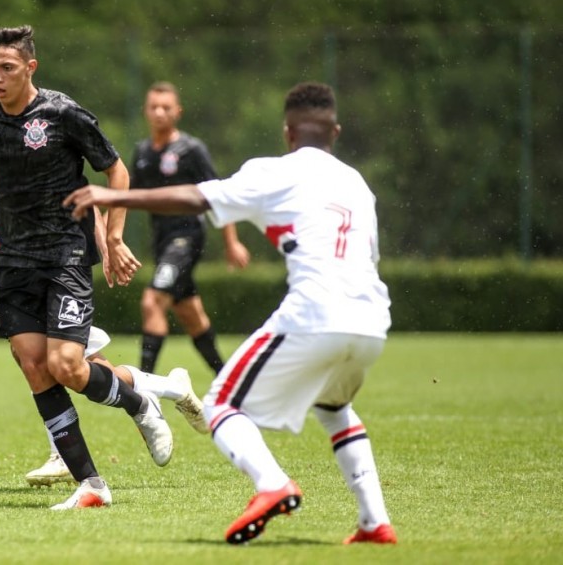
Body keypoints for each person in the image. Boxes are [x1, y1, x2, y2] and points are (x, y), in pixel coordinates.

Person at [64, 82, 397, 545]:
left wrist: (112, 198)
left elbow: (197, 199)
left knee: (221, 404)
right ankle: (374, 522)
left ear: (287, 133)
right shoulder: (356, 183)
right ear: (335, 132)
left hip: (316, 313)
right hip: (373, 321)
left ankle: (272, 484)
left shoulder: (276, 171)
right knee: (335, 407)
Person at [0, 26, 171, 510]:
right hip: (15, 265)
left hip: (63, 255)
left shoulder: (61, 112)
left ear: (30, 68)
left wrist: (116, 236)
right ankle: (92, 485)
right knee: (35, 367)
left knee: (66, 366)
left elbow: (116, 171)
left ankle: (139, 402)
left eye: (7, 69)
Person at [130, 82, 250, 375]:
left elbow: (218, 197)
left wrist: (231, 242)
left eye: (166, 107)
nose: (159, 112)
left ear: (178, 112)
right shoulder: (142, 152)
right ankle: (227, 381)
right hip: (162, 242)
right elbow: (129, 197)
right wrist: (110, 235)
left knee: (152, 301)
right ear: (146, 111)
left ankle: (145, 389)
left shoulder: (192, 150)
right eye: (154, 107)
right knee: (190, 314)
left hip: (186, 238)